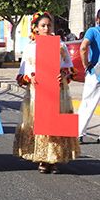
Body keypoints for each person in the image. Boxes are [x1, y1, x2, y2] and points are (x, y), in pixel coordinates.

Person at [13, 12, 79, 173]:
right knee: (40, 124)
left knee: (55, 124)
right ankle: (43, 159)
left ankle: (54, 159)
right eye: (43, 25)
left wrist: (63, 74)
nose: (46, 28)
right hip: (37, 92)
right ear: (36, 28)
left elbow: (69, 68)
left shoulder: (60, 45)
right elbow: (23, 72)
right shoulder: (30, 47)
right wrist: (30, 78)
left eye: (49, 25)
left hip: (57, 90)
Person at [78, 10, 100, 142]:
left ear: (97, 19)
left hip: (95, 72)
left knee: (87, 103)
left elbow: (83, 47)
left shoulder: (93, 31)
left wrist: (85, 65)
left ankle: (79, 132)